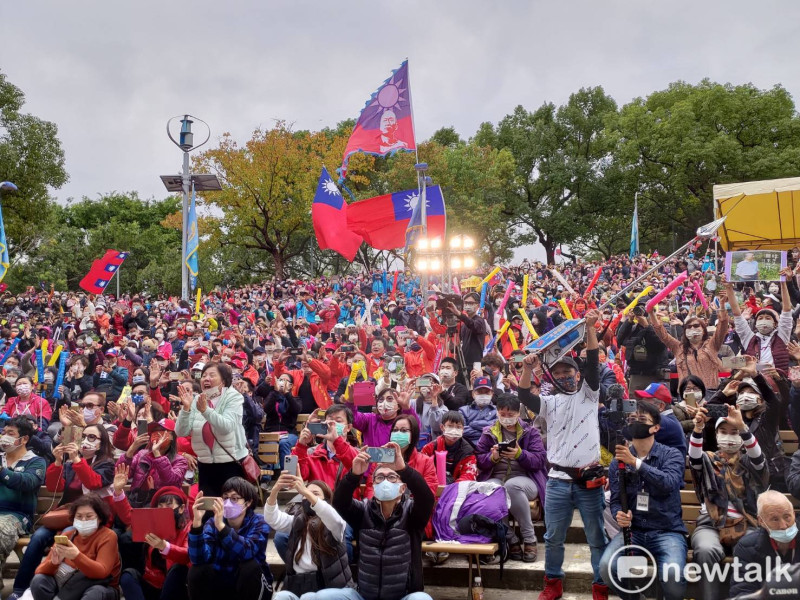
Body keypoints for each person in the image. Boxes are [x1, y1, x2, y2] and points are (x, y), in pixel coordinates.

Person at [518, 309, 609, 600]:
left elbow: (593, 362)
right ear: (551, 378)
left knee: (596, 538)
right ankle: (552, 584)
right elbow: (524, 397)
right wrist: (527, 368)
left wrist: (591, 328)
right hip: (557, 480)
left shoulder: (589, 394)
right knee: (553, 538)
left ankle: (600, 586)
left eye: (568, 373)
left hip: (587, 480)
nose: (563, 377)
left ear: (577, 375)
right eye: (557, 373)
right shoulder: (548, 402)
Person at [10, 422, 116, 599]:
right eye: (83, 436)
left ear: (101, 443)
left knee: (67, 537)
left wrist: (77, 460)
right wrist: (58, 461)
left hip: (88, 520)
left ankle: (64, 589)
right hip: (66, 516)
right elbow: (54, 487)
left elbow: (94, 483)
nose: (86, 441)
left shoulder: (107, 464)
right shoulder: (69, 465)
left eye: (92, 437)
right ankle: (19, 590)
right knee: (37, 538)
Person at [599, 402, 687, 600]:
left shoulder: (671, 454)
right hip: (634, 531)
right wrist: (618, 515)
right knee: (606, 567)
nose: (635, 423)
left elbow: (669, 483)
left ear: (656, 427)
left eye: (642, 419)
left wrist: (636, 463)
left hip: (667, 531)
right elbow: (614, 501)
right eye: (632, 419)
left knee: (672, 576)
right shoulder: (617, 461)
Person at [326, 442, 435, 600]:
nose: (385, 482)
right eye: (379, 478)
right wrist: (354, 474)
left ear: (402, 488)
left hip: (403, 596)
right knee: (320, 596)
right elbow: (340, 503)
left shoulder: (412, 514)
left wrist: (403, 469)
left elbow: (426, 498)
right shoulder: (363, 511)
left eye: (392, 477)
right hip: (365, 595)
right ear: (373, 485)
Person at [688, 405, 769, 600]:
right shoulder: (708, 460)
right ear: (716, 435)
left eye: (734, 433)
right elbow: (694, 457)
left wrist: (742, 427)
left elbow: (759, 459)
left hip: (747, 522)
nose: (728, 436)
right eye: (723, 432)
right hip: (711, 524)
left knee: (753, 546)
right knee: (706, 550)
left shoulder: (749, 463)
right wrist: (698, 428)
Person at [475, 393, 547, 563]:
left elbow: (540, 460)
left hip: (526, 479)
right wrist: (492, 458)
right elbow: (479, 458)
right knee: (493, 489)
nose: (506, 418)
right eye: (502, 414)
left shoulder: (530, 432)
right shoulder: (488, 432)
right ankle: (510, 538)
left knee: (512, 486)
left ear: (518, 413)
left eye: (510, 415)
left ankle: (529, 538)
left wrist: (520, 454)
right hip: (497, 477)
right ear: (497, 412)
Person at [265, 474, 354, 599]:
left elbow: (333, 519)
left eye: (315, 493)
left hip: (330, 589)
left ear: (326, 500)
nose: (307, 496)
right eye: (304, 495)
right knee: (280, 596)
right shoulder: (297, 520)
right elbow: (273, 519)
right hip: (300, 584)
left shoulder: (334, 523)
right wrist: (275, 489)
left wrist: (305, 491)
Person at [187, 477, 272, 600]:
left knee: (249, 567)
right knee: (197, 570)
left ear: (247, 503)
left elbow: (247, 551)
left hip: (252, 586)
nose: (228, 503)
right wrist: (197, 523)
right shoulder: (212, 522)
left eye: (234, 498)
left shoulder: (259, 522)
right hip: (222, 583)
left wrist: (222, 528)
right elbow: (198, 559)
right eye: (225, 498)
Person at [175, 362, 248, 497]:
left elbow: (227, 427)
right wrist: (186, 409)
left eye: (212, 375)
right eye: (204, 376)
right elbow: (181, 432)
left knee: (231, 509)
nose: (206, 379)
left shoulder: (234, 397)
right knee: (207, 510)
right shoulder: (197, 399)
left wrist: (205, 410)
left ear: (224, 381)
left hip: (230, 462)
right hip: (205, 463)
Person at [30, 493, 121, 600]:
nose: (83, 520)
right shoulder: (67, 535)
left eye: (89, 516)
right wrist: (53, 563)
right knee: (38, 581)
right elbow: (39, 571)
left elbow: (102, 572)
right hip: (66, 583)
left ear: (99, 518)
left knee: (95, 594)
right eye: (79, 516)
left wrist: (76, 556)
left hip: (99, 587)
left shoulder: (108, 536)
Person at [114, 476, 191, 600]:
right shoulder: (152, 526)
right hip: (151, 584)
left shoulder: (187, 529)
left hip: (174, 588)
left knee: (178, 569)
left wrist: (164, 547)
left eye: (169, 505)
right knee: (128, 575)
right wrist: (118, 492)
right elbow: (131, 517)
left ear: (181, 509)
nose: (164, 509)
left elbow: (186, 555)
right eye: (160, 506)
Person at [647, 290, 729, 391]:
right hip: (686, 394)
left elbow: (723, 326)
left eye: (696, 326)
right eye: (689, 327)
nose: (692, 329)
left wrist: (722, 304)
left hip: (709, 393)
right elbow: (662, 335)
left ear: (703, 330)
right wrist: (651, 313)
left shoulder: (712, 345)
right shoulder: (678, 347)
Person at [729, 490, 800, 598]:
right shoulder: (747, 547)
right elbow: (742, 591)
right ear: (761, 521)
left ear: (794, 514)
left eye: (787, 516)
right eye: (775, 519)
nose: (783, 525)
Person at [0, 417, 46, 579]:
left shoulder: (36, 462)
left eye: (10, 433)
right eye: (3, 432)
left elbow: (28, 482)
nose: (4, 436)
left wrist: (2, 471)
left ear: (24, 439)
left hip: (16, 517)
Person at [725, 273, 792, 373]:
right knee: (723, 363)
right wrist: (729, 288)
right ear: (755, 324)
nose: (764, 320)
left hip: (778, 384)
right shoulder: (749, 338)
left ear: (775, 324)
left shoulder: (782, 336)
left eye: (768, 318)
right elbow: (736, 313)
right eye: (760, 318)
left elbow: (786, 309)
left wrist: (782, 283)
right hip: (752, 384)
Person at [616, 307, 669, 392]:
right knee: (635, 402)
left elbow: (660, 344)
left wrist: (647, 326)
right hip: (636, 374)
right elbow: (620, 340)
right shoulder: (633, 328)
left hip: (655, 374)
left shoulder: (662, 328)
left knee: (655, 403)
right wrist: (629, 321)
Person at [420, 411, 477, 484]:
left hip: (456, 489)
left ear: (463, 430)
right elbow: (420, 467)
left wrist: (451, 489)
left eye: (458, 427)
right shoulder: (431, 447)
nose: (454, 430)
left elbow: (469, 475)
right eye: (450, 426)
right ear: (442, 427)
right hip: (433, 486)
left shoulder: (468, 452)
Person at [633, 383, 688, 456]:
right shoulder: (668, 420)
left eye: (646, 403)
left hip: (668, 466)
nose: (641, 406)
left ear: (661, 406)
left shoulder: (662, 422)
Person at [458, 377, 497, 445]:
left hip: (490, 449)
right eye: (479, 392)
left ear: (492, 394)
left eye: (486, 392)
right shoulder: (463, 410)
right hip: (469, 448)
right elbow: (461, 430)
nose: (483, 395)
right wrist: (487, 431)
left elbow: (498, 430)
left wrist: (473, 424)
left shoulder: (498, 411)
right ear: (473, 394)